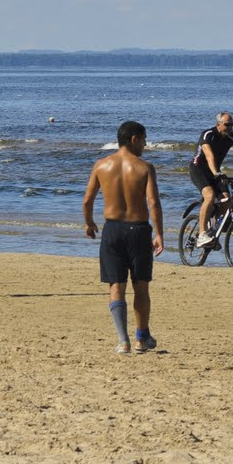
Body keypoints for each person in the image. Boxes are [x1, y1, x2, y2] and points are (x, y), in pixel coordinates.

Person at [83, 120, 163, 355]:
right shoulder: (145, 167)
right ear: (134, 139)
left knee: (116, 286)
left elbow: (87, 200)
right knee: (141, 287)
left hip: (112, 230)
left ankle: (123, 340)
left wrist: (89, 223)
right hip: (138, 230)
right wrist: (159, 233)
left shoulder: (101, 165)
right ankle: (141, 337)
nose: (146, 145)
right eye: (144, 139)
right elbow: (153, 203)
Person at [188, 111, 233, 248]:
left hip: (216, 171)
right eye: (227, 125)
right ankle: (202, 234)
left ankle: (213, 231)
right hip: (198, 169)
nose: (230, 128)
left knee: (227, 200)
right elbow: (209, 155)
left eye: (232, 125)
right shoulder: (208, 134)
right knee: (210, 195)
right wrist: (216, 172)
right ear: (218, 124)